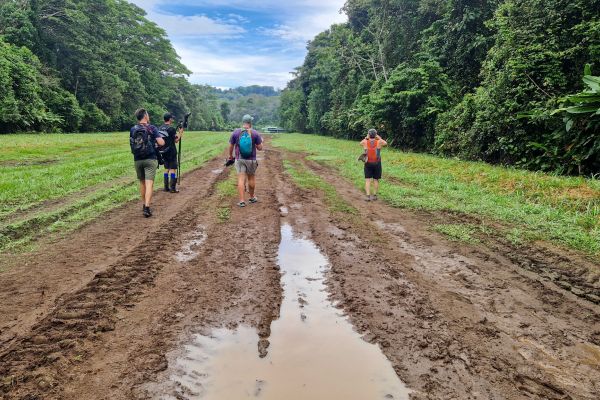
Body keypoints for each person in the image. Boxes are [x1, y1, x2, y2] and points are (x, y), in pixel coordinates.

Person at [130, 108, 165, 218]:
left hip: (137, 159)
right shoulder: (152, 128)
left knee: (142, 183)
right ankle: (147, 207)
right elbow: (161, 142)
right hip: (150, 159)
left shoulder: (133, 129)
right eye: (148, 114)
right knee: (149, 183)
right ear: (145, 116)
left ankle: (143, 204)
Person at [227, 114, 264, 207]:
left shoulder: (236, 132)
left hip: (239, 159)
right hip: (251, 160)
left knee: (241, 179)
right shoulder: (255, 133)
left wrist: (230, 156)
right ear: (250, 123)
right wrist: (259, 142)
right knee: (251, 178)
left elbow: (231, 146)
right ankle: (251, 197)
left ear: (243, 122)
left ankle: (242, 201)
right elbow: (260, 148)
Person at [158, 112, 183, 193]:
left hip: (163, 151)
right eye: (172, 118)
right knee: (172, 169)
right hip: (171, 152)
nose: (172, 119)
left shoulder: (160, 128)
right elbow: (176, 140)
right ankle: (172, 188)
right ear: (169, 119)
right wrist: (180, 133)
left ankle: (165, 187)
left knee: (166, 169)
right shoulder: (171, 129)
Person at [360, 128, 387, 201]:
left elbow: (360, 143)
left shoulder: (365, 142)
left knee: (367, 180)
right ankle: (374, 195)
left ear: (369, 134)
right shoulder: (379, 142)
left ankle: (368, 196)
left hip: (368, 162)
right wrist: (379, 137)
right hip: (377, 163)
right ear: (375, 134)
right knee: (376, 180)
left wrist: (366, 137)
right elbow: (385, 143)